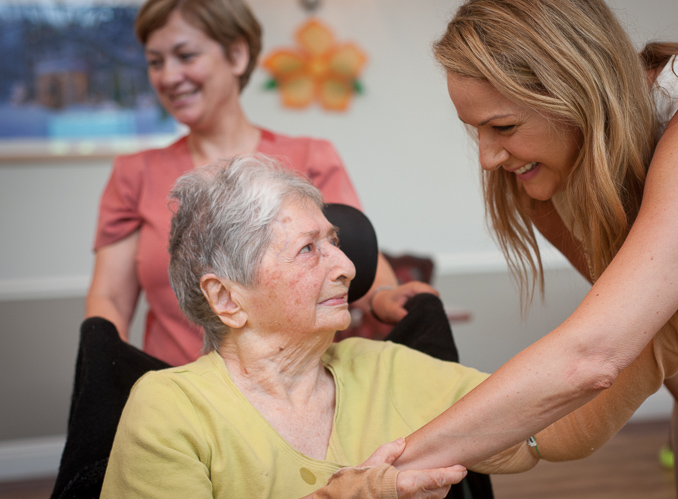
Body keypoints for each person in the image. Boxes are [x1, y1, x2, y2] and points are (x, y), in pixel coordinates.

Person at [90, 153, 678, 499]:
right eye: (308, 249)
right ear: (227, 297)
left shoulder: (390, 370)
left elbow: (563, 428)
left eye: (337, 245)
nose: (347, 267)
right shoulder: (168, 409)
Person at [380, 1, 678, 499]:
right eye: (475, 130)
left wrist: (373, 479)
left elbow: (591, 354)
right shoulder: (542, 182)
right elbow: (658, 342)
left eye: (503, 126)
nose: (487, 158)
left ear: (574, 91)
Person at [85, 0, 433, 367]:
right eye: (156, 62)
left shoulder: (310, 158)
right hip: (178, 392)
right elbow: (110, 299)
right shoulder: (134, 173)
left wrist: (386, 299)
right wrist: (110, 375)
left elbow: (353, 261)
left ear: (236, 55)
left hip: (297, 389)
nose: (168, 76)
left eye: (185, 55)